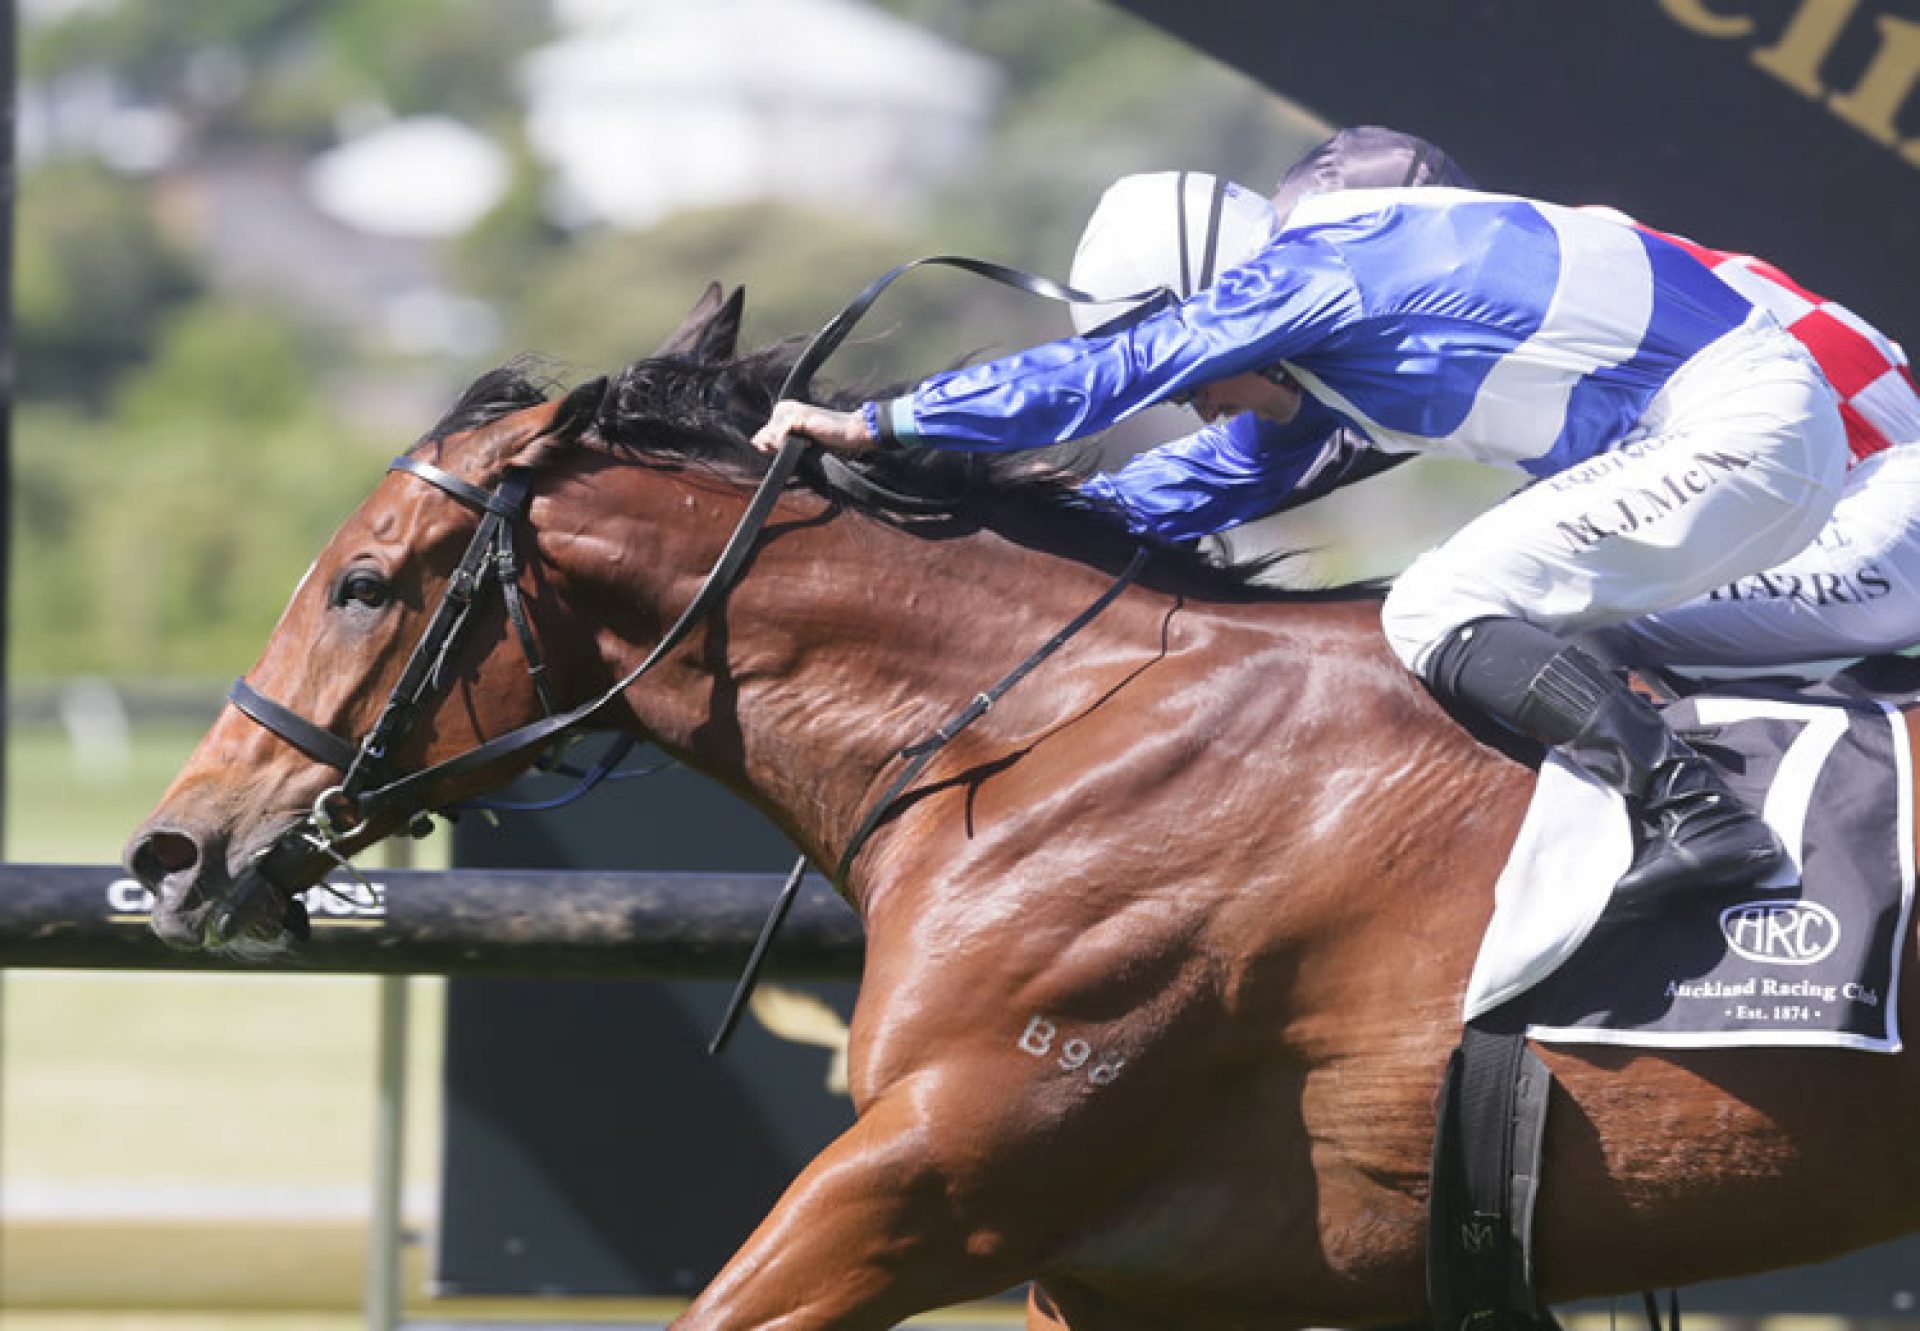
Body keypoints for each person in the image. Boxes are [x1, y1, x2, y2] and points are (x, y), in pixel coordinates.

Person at [750, 166, 1850, 919]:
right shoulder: (1354, 307)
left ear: (1215, 301)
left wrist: (884, 423)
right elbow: (1221, 476)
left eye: (1196, 369)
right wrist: (997, 538)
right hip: (1747, 434)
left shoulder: (1324, 270)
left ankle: (1696, 813)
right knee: (1484, 608)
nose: (1194, 400)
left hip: (1736, 430)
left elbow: (1111, 373)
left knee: (1437, 604)